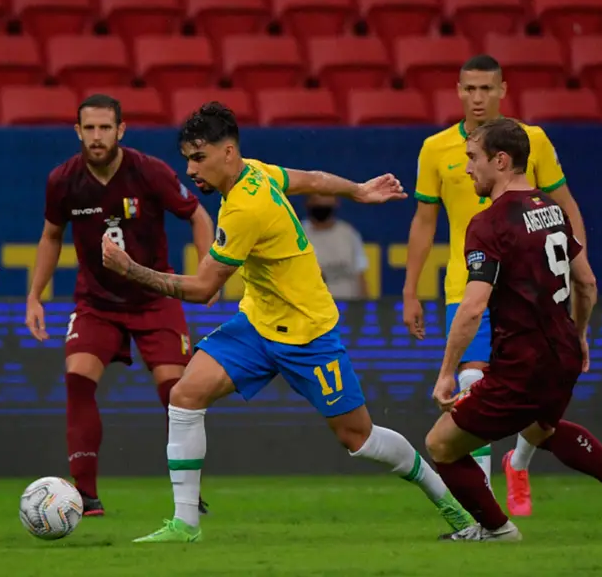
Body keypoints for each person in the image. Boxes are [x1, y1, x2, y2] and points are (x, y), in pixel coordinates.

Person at [101, 102, 476, 544]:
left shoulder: (244, 208)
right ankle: (185, 525)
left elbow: (203, 290)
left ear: (228, 153)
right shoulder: (255, 171)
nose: (190, 168)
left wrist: (129, 270)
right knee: (185, 395)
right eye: (187, 157)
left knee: (359, 437)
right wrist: (357, 190)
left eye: (198, 157)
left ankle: (453, 506)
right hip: (258, 325)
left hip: (307, 333)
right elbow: (313, 180)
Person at [424, 118, 602, 542]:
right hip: (560, 355)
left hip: (520, 364)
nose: (468, 168)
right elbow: (587, 283)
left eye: (473, 158)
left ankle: (496, 530)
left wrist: (447, 371)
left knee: (440, 444)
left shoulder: (488, 224)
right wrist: (579, 336)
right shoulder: (552, 209)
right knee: (541, 430)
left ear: (501, 160)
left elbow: (472, 308)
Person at [403, 54, 589, 516]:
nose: (478, 97)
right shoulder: (435, 149)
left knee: (540, 399)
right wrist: (410, 290)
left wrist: (573, 263)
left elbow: (564, 204)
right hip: (466, 290)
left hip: (531, 290)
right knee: (472, 384)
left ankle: (518, 462)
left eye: (487, 88)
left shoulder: (532, 141)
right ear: (458, 91)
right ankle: (484, 511)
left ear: (503, 90)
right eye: (469, 89)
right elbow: (424, 223)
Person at [25, 94, 215, 516]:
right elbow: (51, 236)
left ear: (120, 130)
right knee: (78, 379)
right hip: (96, 301)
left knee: (178, 393)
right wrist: (34, 296)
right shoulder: (63, 180)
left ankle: (188, 494)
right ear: (78, 132)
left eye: (105, 128)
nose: (97, 137)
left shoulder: (150, 172)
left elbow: (198, 215)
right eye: (89, 129)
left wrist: (208, 273)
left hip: (155, 297)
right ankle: (85, 496)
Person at [302, 195, 370, 299]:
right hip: (310, 307)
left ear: (336, 203)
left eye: (326, 203)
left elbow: (360, 273)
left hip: (347, 306)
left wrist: (363, 304)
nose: (322, 206)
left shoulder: (348, 233)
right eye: (318, 202)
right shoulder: (297, 234)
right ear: (307, 203)